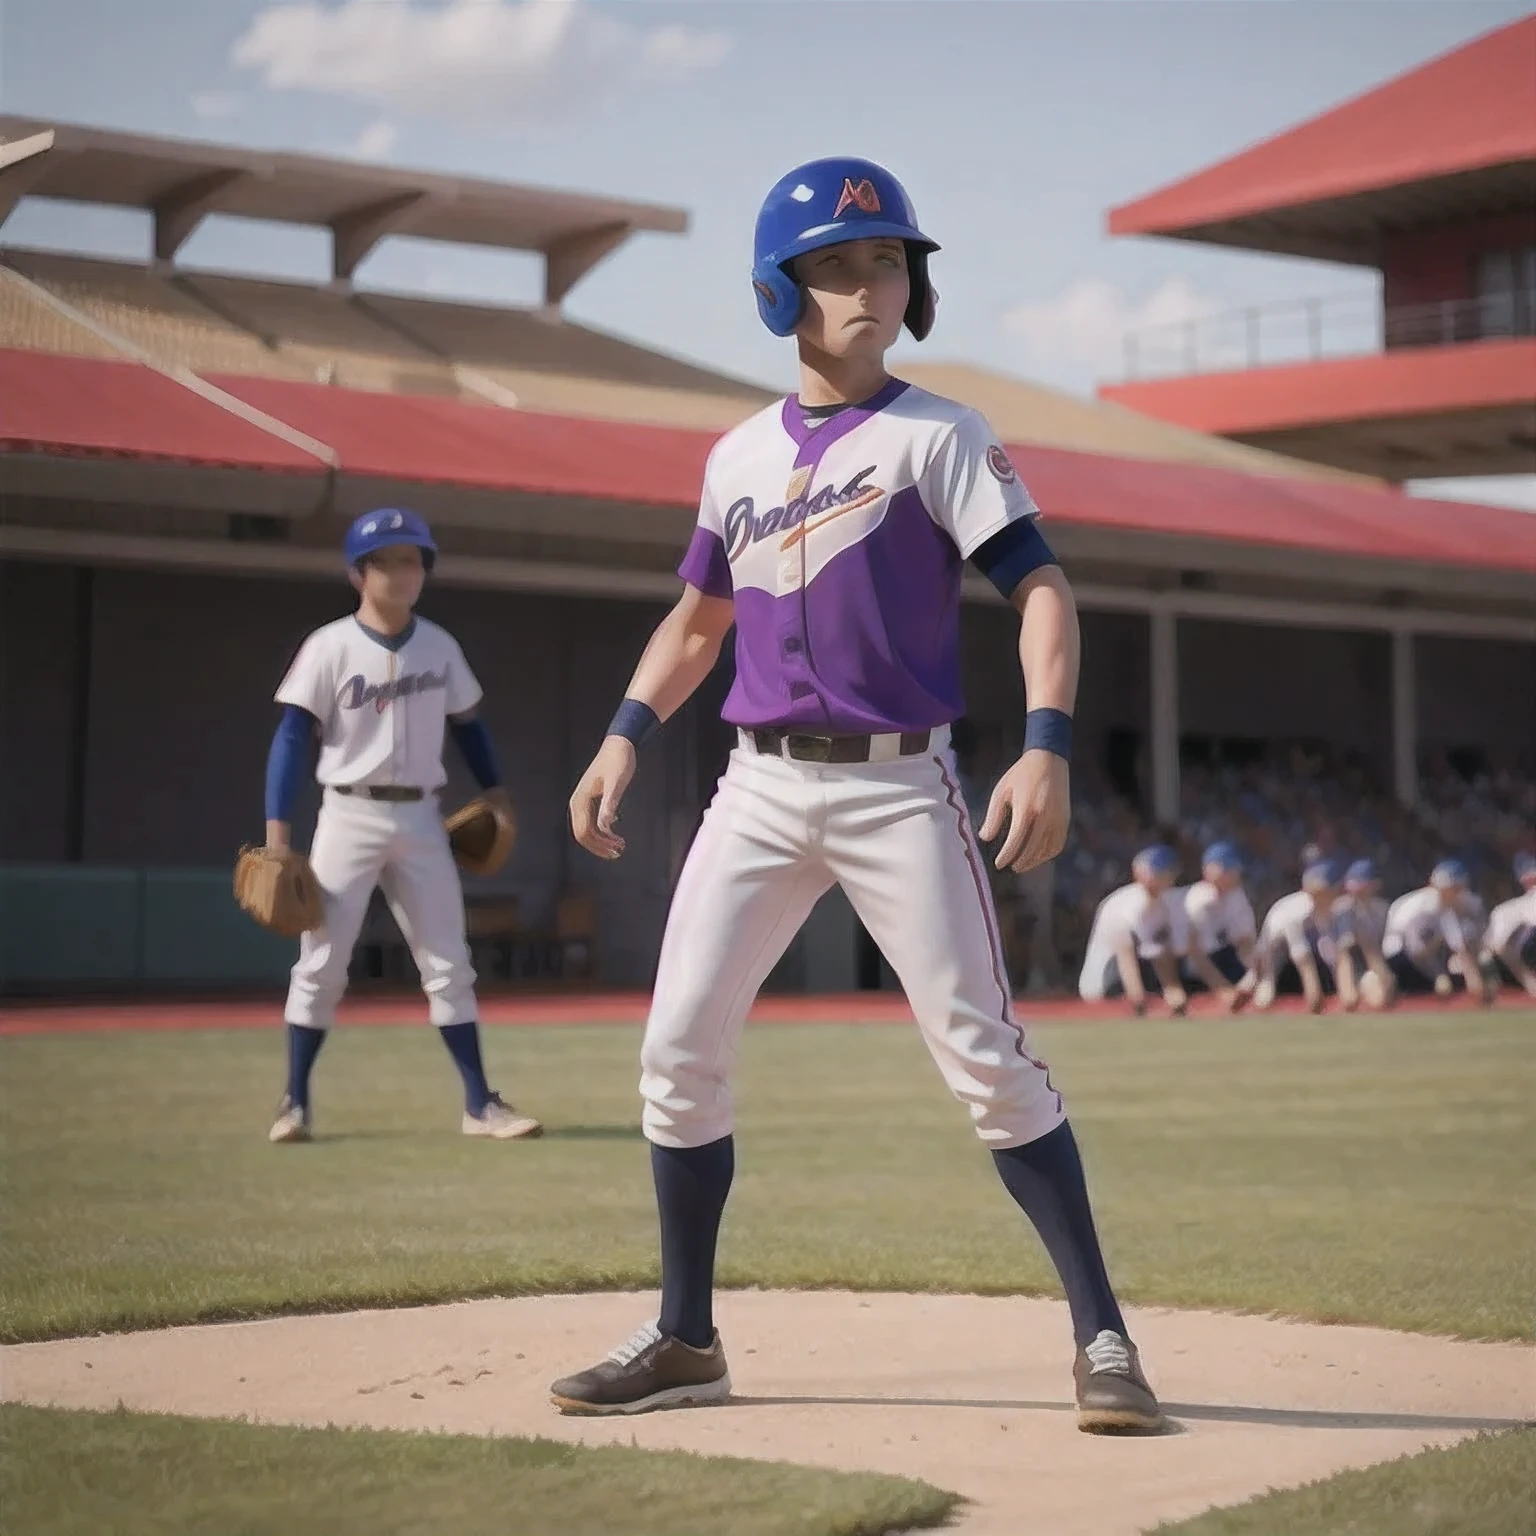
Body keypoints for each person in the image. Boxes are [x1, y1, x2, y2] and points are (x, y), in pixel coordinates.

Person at [550, 157, 1162, 1433]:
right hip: (757, 790)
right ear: (781, 294)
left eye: (888, 260)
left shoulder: (940, 435)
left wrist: (1045, 740)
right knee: (675, 1056)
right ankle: (684, 1339)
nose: (869, 283)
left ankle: (1104, 1339)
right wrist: (622, 731)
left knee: (989, 1063)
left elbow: (1041, 589)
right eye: (837, 265)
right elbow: (698, 620)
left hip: (900, 789)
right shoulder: (732, 458)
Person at [262, 508, 542, 1144]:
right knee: (322, 963)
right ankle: (294, 1104)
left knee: (448, 963)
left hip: (420, 815)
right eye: (389, 560)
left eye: (414, 560)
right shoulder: (328, 646)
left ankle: (479, 1106)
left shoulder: (440, 645)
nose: (404, 572)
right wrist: (278, 832)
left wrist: (496, 791)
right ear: (360, 573)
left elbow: (470, 726)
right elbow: (290, 736)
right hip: (348, 813)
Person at [1077, 846, 1189, 1016]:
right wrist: (1139, 1002)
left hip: (1135, 971)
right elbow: (1124, 953)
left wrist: (1173, 991)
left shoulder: (1161, 903)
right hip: (1105, 981)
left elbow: (1159, 952)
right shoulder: (1126, 904)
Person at [1382, 859, 1491, 1005]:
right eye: (1455, 889)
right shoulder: (1420, 908)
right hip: (1401, 959)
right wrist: (1439, 976)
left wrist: (1475, 979)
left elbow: (1460, 946)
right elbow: (1416, 952)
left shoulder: (1447, 906)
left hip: (1430, 958)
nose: (1459, 893)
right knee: (1443, 985)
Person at [1240, 860, 1342, 1014]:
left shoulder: (1328, 909)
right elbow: (1303, 959)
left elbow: (1330, 951)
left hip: (1302, 950)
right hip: (1271, 951)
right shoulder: (1297, 912)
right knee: (1263, 999)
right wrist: (1314, 998)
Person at [1175, 841, 1257, 1012]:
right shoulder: (1198, 900)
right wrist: (1224, 990)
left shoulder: (1237, 896)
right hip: (1193, 971)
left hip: (1225, 958)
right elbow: (1195, 955)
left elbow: (1245, 943)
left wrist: (1249, 979)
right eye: (1227, 869)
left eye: (1234, 869)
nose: (1233, 874)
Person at [1331, 859, 1394, 1012]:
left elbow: (1380, 948)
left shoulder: (1383, 909)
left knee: (1381, 1000)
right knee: (1350, 1000)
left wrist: (1384, 976)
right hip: (1346, 962)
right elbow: (1344, 951)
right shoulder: (1342, 909)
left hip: (1375, 961)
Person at [1479, 852, 1536, 998]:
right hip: (1511, 970)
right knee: (1485, 957)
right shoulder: (1506, 910)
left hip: (1523, 963)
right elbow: (1496, 948)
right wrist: (1527, 979)